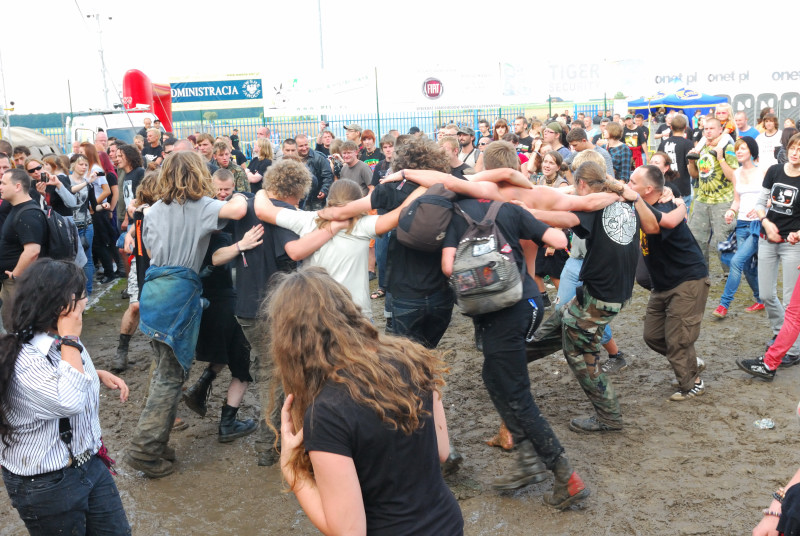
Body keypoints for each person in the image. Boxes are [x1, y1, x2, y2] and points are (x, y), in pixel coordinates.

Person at [269, 267, 463, 534]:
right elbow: (442, 451)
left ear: (289, 342)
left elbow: (349, 531)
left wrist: (294, 471)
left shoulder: (326, 412)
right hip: (446, 524)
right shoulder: (412, 358)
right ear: (347, 309)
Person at [124, 151, 248, 478]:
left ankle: (157, 443)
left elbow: (148, 251)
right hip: (180, 292)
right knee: (170, 376)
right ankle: (145, 449)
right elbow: (239, 208)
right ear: (198, 175)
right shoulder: (202, 206)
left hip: (153, 289)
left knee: (163, 369)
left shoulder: (152, 211)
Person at [0, 258, 131, 535]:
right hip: (46, 483)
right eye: (82, 294)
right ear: (64, 306)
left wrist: (94, 372)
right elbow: (67, 401)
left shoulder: (62, 340)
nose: (86, 300)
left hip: (89, 463)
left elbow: (61, 374)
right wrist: (71, 337)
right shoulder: (30, 355)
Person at [181, 169, 258, 443]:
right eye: (218, 189)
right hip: (220, 297)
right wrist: (242, 244)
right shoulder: (212, 217)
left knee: (230, 351)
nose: (222, 194)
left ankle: (200, 387)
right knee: (243, 363)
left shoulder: (207, 209)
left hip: (214, 295)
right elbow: (215, 258)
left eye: (227, 190)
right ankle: (228, 423)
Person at [629, 165, 710, 401]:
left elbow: (657, 225)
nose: (628, 184)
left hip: (687, 280)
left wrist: (682, 204)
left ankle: (692, 385)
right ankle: (689, 362)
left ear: (648, 189)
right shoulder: (643, 203)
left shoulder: (665, 207)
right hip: (662, 284)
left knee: (678, 340)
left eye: (633, 182)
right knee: (653, 335)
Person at [741, 132, 800, 372]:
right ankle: (781, 335)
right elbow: (759, 202)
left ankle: (793, 350)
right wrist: (766, 223)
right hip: (767, 239)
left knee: (790, 302)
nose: (796, 152)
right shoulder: (775, 171)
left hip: (792, 245)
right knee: (765, 294)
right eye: (794, 147)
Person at [713, 137, 764, 318]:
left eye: (743, 148)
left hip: (758, 226)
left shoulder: (763, 171)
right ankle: (760, 299)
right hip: (741, 224)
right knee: (748, 266)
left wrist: (760, 210)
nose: (739, 151)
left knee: (736, 261)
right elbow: (737, 200)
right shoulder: (736, 173)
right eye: (737, 149)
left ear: (752, 150)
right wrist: (731, 212)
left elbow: (772, 200)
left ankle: (723, 305)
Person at [687, 117, 738, 268]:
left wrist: (721, 158)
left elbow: (734, 176)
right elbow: (695, 175)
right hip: (702, 199)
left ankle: (730, 273)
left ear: (720, 130)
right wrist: (690, 162)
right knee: (697, 239)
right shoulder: (701, 148)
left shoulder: (727, 147)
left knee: (723, 240)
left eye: (711, 128)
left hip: (722, 200)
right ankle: (701, 272)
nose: (708, 132)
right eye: (706, 129)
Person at [0, 168, 47, 329]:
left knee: (20, 326)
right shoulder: (16, 209)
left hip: (19, 281)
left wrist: (15, 275)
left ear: (18, 186)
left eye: (3, 183)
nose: (0, 186)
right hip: (13, 281)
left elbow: (33, 251)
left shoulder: (28, 214)